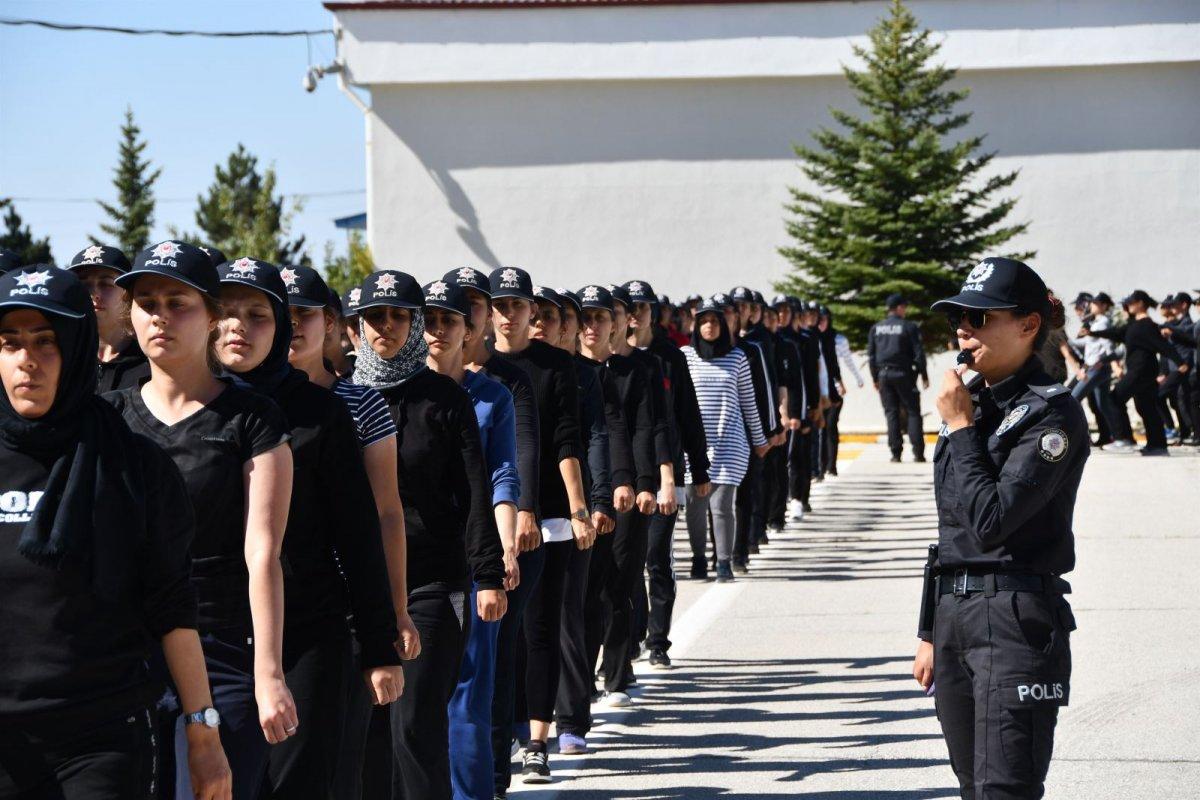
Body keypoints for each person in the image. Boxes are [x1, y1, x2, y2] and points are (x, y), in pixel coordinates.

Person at [0, 266, 232, 800]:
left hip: (101, 738)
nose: (26, 361)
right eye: (10, 343)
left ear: (79, 348)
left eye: (46, 343)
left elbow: (172, 606)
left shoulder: (133, 466)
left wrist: (203, 730)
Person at [105, 241, 297, 798]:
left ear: (212, 315)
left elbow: (261, 552)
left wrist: (269, 674)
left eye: (178, 302)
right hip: (125, 652)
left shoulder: (250, 418)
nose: (160, 316)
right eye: (147, 302)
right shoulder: (106, 415)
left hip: (222, 649)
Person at [213, 259, 403, 798]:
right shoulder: (184, 409)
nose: (238, 328)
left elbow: (360, 532)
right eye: (225, 313)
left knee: (298, 781)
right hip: (212, 636)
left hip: (307, 631)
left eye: (257, 315)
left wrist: (379, 646)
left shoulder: (320, 412)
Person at [912, 256, 1085, 799]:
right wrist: (928, 630)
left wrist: (961, 427)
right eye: (958, 318)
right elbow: (952, 528)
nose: (964, 328)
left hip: (1013, 620)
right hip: (955, 616)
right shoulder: (975, 403)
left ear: (1029, 325)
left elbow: (992, 522)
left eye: (980, 317)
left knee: (1004, 790)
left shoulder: (1050, 417)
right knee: (972, 788)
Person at [350, 270, 506, 799]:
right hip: (360, 585)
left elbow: (474, 489)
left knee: (414, 723)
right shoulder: (344, 399)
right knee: (367, 732)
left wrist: (487, 574)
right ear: (358, 325)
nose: (386, 327)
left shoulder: (443, 398)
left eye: (399, 316)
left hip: (432, 583)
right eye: (376, 316)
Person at [280, 264, 419, 800]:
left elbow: (385, 513)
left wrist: (394, 611)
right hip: (265, 606)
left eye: (304, 314)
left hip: (347, 606)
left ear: (333, 323)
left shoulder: (359, 403)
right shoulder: (246, 405)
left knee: (349, 759)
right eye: (282, 313)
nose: (292, 325)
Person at [487, 268, 593, 788]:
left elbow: (565, 441)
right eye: (499, 304)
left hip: (544, 515)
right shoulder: (472, 365)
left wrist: (577, 508)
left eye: (518, 305)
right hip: (490, 517)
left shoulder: (554, 367)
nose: (508, 314)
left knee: (541, 627)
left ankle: (536, 741)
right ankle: (498, 731)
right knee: (501, 635)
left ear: (535, 313)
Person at [440, 267, 541, 800]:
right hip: (413, 564)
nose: (440, 330)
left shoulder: (492, 395)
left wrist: (502, 551)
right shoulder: (388, 395)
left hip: (476, 555)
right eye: (428, 320)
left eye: (457, 316)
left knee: (470, 695)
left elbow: (504, 476)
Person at [625, 280, 710, 668]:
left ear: (653, 314)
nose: (636, 314)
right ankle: (632, 633)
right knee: (627, 561)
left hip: (664, 474)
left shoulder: (669, 356)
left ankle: (658, 640)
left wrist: (698, 467)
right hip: (623, 477)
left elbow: (687, 413)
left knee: (658, 556)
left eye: (643, 307)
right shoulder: (612, 356)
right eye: (630, 307)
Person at [577, 284, 654, 710]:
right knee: (586, 591)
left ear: (617, 324)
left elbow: (639, 430)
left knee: (619, 582)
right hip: (585, 493)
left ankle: (618, 671)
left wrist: (641, 482)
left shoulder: (631, 371)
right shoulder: (573, 371)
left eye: (600, 318)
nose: (591, 326)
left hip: (626, 492)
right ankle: (582, 679)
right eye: (585, 318)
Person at [682, 296, 769, 583]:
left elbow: (749, 402)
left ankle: (723, 562)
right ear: (697, 325)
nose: (709, 326)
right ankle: (698, 558)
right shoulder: (686, 356)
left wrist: (759, 439)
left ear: (723, 325)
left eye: (714, 321)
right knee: (696, 506)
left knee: (721, 506)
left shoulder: (737, 357)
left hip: (730, 442)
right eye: (704, 321)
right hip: (694, 446)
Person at [1080, 289, 1179, 455]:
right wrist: (1092, 332)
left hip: (1142, 370)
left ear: (1140, 303)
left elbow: (1163, 346)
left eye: (1131, 303)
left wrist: (1180, 362)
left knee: (1114, 398)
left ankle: (1124, 439)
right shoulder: (1134, 325)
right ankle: (1158, 446)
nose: (1128, 306)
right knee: (1146, 407)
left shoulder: (1147, 325)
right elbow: (1117, 334)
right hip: (1140, 370)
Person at [66, 245, 152, 393]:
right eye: (84, 285)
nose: (95, 293)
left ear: (127, 294)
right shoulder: (64, 360)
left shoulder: (151, 362)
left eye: (105, 284)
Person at [868, 293, 929, 462]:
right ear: (899, 308)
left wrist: (875, 378)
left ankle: (896, 453)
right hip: (904, 374)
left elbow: (871, 356)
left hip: (883, 375)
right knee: (912, 412)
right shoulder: (909, 327)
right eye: (905, 307)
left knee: (891, 413)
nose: (906, 310)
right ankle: (918, 453)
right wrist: (924, 375)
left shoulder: (876, 328)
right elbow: (919, 353)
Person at [1066, 292, 1118, 447]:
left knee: (1073, 398)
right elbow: (1088, 344)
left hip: (1096, 367)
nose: (1091, 306)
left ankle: (1082, 437)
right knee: (1103, 405)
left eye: (1095, 304)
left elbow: (1108, 345)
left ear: (1103, 306)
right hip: (1096, 367)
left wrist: (1114, 362)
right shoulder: (1096, 322)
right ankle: (1119, 436)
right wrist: (1068, 341)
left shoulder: (1103, 323)